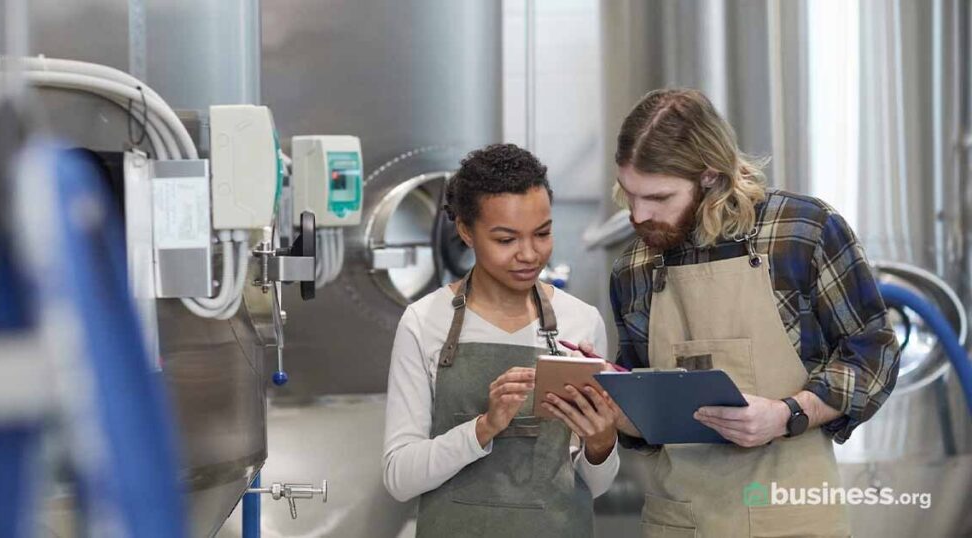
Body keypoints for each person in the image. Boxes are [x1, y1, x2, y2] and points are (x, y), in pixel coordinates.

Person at [595, 88, 900, 537]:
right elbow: (646, 420)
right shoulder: (634, 268)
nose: (639, 215)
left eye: (658, 198)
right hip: (679, 522)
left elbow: (874, 356)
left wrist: (787, 413)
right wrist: (612, 402)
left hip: (791, 518)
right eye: (629, 193)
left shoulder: (802, 231)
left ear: (710, 177)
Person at [382, 143, 620, 537]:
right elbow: (399, 477)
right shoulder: (424, 322)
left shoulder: (581, 322)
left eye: (542, 233)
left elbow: (595, 486)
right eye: (506, 240)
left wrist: (602, 442)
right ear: (465, 231)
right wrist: (483, 427)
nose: (529, 254)